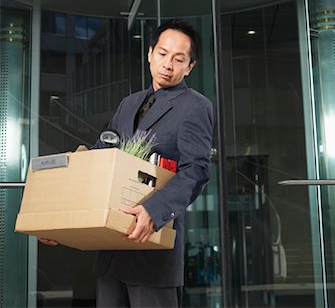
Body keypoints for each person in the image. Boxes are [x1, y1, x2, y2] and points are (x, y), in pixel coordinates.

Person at [40, 19, 213, 308]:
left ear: (190, 67)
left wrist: (154, 210)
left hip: (152, 253)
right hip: (110, 252)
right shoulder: (128, 104)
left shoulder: (195, 107)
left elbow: (196, 170)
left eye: (178, 59)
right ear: (149, 53)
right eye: (162, 53)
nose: (168, 64)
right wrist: (57, 220)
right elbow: (100, 159)